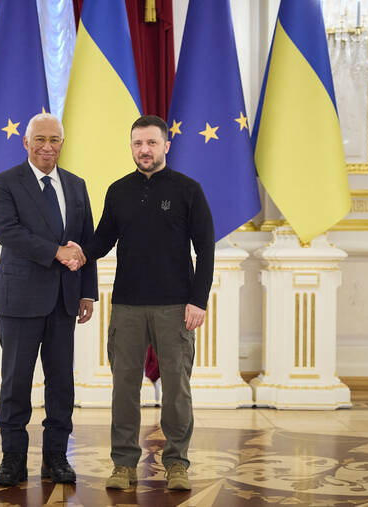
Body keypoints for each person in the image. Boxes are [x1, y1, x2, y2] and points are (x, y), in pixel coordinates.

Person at [70, 115, 214, 491]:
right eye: (138, 144)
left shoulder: (189, 190)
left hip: (176, 307)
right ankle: (123, 465)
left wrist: (198, 300)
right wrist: (74, 252)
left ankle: (177, 463)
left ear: (166, 145)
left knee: (177, 390)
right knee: (124, 388)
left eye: (151, 143)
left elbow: (206, 250)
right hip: (128, 307)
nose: (144, 150)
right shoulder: (118, 191)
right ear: (131, 146)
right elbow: (101, 242)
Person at [0, 112, 98, 487]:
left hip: (65, 301)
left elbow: (86, 244)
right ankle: (13, 460)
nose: (47, 147)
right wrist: (56, 252)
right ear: (25, 142)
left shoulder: (76, 185)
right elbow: (7, 232)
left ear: (62, 144)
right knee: (15, 382)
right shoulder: (5, 183)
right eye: (40, 139)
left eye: (54, 140)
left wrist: (87, 291)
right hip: (18, 299)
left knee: (61, 383)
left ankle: (56, 458)